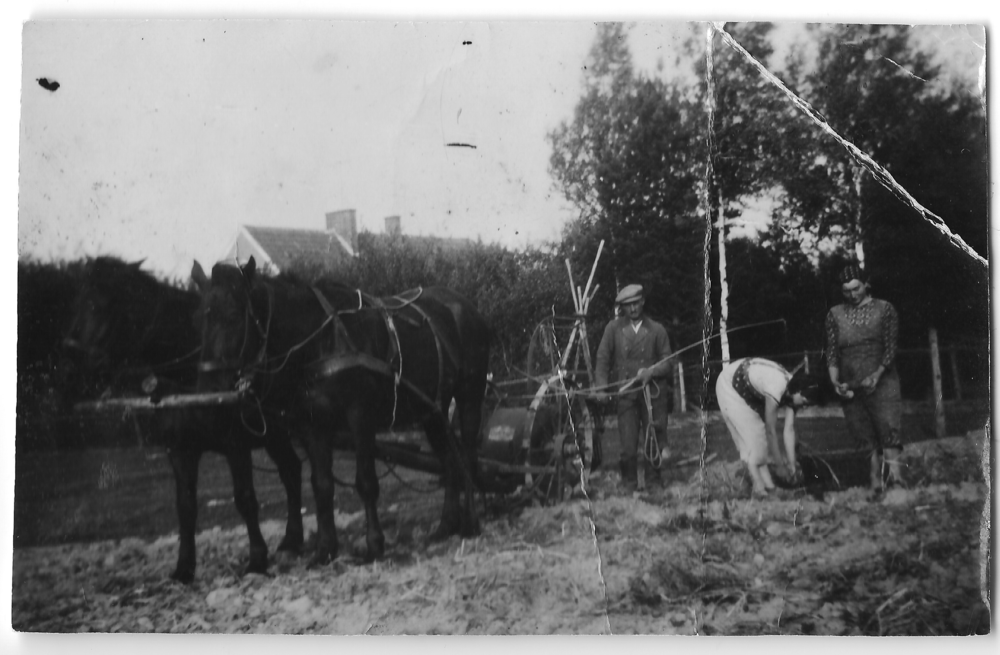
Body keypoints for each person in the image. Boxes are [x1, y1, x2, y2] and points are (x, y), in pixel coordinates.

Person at [825, 264, 904, 493]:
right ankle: (875, 482)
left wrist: (877, 374)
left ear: (866, 284)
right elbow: (831, 352)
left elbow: (890, 348)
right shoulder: (834, 314)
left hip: (882, 380)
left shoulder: (885, 309)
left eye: (856, 288)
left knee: (888, 428)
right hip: (851, 383)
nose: (853, 294)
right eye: (847, 291)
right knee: (862, 433)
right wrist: (834, 382)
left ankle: (897, 481)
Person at [594, 284, 674, 489]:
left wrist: (651, 372)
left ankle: (654, 483)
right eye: (628, 305)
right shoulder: (613, 329)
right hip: (627, 394)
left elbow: (668, 362)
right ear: (623, 308)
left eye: (636, 303)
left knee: (653, 439)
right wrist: (602, 388)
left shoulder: (657, 329)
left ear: (643, 301)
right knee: (628, 446)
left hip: (653, 396)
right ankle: (629, 483)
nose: (633, 309)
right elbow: (602, 358)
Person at [715, 357, 822, 497]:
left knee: (760, 443)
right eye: (805, 401)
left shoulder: (793, 392)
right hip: (730, 385)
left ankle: (770, 488)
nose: (805, 406)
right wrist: (779, 466)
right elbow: (770, 431)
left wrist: (791, 464)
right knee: (755, 443)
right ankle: (760, 490)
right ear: (799, 392)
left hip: (748, 387)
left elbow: (789, 429)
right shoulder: (777, 388)